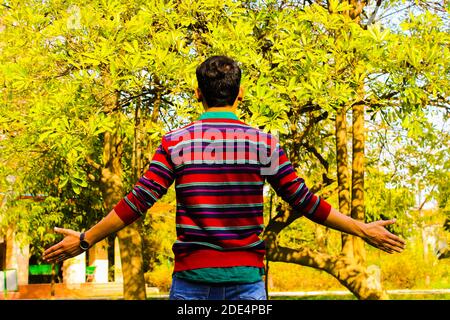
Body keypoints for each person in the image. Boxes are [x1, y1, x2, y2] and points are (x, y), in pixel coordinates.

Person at [43, 55, 405, 300]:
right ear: (240, 93)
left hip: (190, 286)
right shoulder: (263, 144)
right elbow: (306, 202)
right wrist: (362, 229)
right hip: (247, 287)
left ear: (197, 93)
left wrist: (86, 239)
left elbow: (136, 203)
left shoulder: (175, 143)